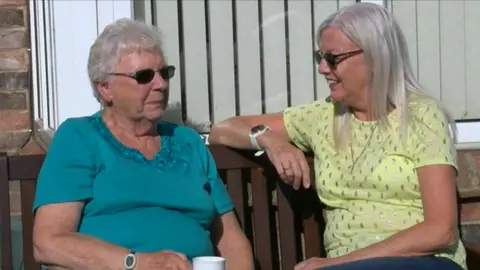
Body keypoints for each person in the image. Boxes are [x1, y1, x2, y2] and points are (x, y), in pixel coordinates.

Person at [208, 3, 466, 270]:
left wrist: (338, 262)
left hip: (421, 262)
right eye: (319, 57)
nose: (322, 68)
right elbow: (221, 130)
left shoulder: (421, 116)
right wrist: (268, 139)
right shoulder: (322, 116)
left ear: (376, 57)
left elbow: (440, 230)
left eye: (332, 58)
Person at [32, 18, 253, 270]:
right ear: (105, 88)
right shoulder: (79, 138)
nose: (160, 85)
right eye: (144, 76)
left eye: (164, 73)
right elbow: (49, 242)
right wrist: (138, 263)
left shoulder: (187, 142)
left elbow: (232, 242)